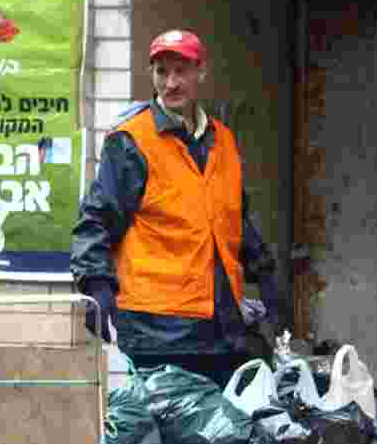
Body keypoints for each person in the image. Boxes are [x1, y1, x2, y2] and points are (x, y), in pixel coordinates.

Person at [70, 30, 280, 388]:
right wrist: (96, 286)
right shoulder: (132, 141)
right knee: (171, 437)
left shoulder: (223, 140)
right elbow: (96, 219)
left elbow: (231, 218)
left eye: (180, 71)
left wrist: (266, 274)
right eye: (161, 72)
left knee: (222, 434)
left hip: (220, 326)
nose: (170, 83)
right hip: (158, 329)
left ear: (201, 72)